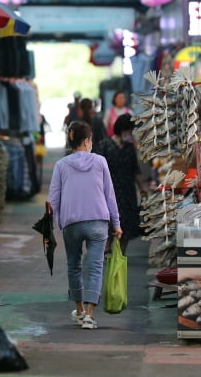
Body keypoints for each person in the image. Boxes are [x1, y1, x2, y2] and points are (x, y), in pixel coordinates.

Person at [48, 121, 122, 330]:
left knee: (74, 266)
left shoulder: (61, 165)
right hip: (98, 222)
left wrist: (50, 228)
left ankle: (79, 310)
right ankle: (90, 315)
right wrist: (116, 223)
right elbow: (110, 194)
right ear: (88, 140)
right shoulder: (100, 162)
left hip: (71, 224)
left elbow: (53, 199)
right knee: (95, 266)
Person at [94, 114, 145, 254]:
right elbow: (96, 171)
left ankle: (122, 253)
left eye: (131, 131)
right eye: (128, 130)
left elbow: (136, 170)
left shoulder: (129, 147)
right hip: (109, 191)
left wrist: (142, 189)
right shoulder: (104, 145)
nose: (129, 134)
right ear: (121, 129)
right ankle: (107, 249)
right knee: (109, 221)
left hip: (128, 191)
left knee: (127, 224)